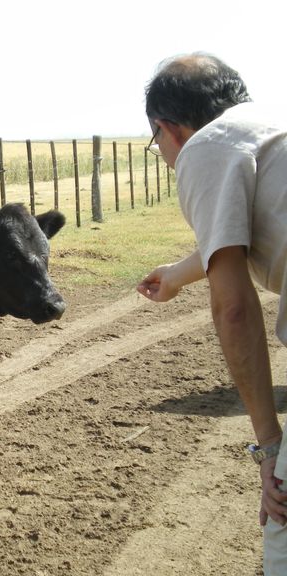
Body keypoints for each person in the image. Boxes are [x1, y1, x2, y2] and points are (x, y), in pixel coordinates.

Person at [136, 52, 287, 573]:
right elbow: (241, 227)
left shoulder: (204, 149)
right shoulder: (269, 133)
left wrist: (269, 448)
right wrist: (177, 273)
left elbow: (235, 309)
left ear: (166, 128)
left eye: (155, 141)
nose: (161, 152)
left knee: (283, 528)